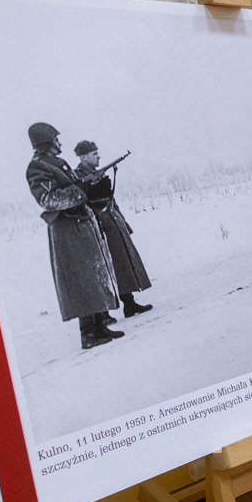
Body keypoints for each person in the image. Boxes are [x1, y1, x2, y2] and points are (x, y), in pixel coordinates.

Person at [25, 123, 122, 349]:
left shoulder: (58, 163)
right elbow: (47, 199)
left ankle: (100, 325)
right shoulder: (37, 168)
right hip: (67, 229)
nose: (60, 143)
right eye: (56, 140)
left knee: (92, 275)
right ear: (46, 143)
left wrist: (88, 186)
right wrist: (81, 190)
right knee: (80, 281)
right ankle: (88, 333)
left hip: (81, 225)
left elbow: (74, 187)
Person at [74, 140, 153, 318]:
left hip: (111, 220)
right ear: (84, 156)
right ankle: (103, 314)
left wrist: (123, 221)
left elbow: (110, 199)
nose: (99, 156)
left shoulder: (96, 173)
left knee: (121, 261)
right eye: (94, 154)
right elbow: (80, 200)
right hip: (97, 224)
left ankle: (129, 303)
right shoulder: (77, 176)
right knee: (103, 267)